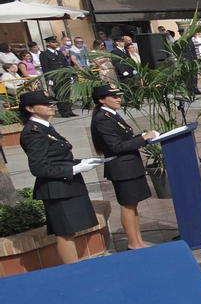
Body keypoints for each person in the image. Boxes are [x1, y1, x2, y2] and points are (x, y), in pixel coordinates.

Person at [18, 90, 99, 264]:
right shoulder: (33, 132)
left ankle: (74, 265)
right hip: (57, 189)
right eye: (45, 104)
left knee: (72, 230)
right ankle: (73, 270)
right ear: (30, 108)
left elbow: (56, 158)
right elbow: (38, 168)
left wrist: (81, 162)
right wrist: (74, 170)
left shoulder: (44, 128)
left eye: (51, 103)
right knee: (66, 232)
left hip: (66, 187)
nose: (51, 106)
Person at [88, 84, 158, 251]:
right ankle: (133, 243)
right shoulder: (102, 119)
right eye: (114, 97)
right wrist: (142, 139)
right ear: (101, 100)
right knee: (127, 205)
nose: (118, 99)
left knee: (133, 205)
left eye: (119, 96)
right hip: (122, 168)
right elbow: (116, 146)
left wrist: (140, 137)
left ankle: (138, 241)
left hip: (129, 165)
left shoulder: (111, 115)